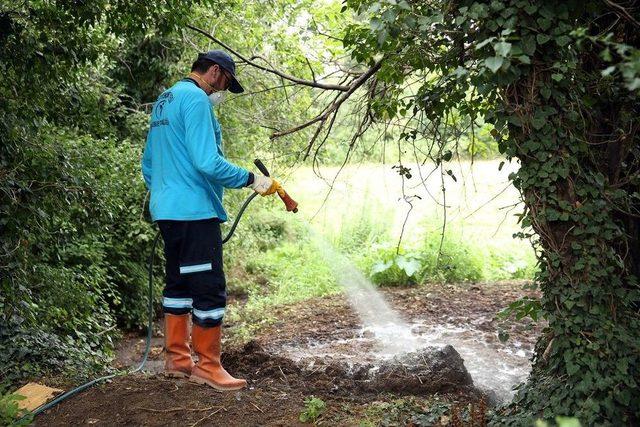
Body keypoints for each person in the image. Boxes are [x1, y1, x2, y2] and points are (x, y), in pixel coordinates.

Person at [141, 50, 278, 391]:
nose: (222, 93)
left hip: (167, 211)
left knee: (178, 284)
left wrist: (168, 191)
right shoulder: (197, 100)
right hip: (194, 212)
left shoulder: (164, 100)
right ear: (215, 72)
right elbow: (208, 162)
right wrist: (252, 179)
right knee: (209, 287)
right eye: (226, 84)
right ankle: (208, 365)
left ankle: (177, 360)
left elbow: (148, 165)